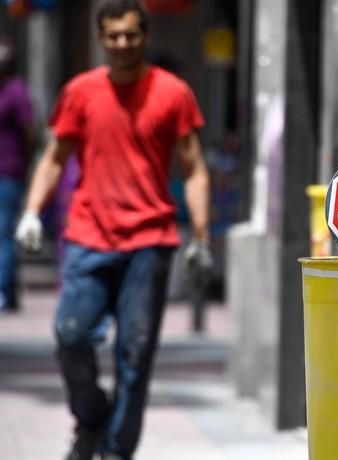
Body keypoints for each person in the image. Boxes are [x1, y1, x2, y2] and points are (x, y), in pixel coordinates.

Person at [14, 1, 213, 459]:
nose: (122, 44)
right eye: (113, 36)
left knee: (136, 355)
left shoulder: (173, 93)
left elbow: (195, 169)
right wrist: (30, 212)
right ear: (102, 39)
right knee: (71, 335)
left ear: (145, 36)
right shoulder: (80, 92)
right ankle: (91, 419)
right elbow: (54, 157)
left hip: (150, 242)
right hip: (88, 237)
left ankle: (116, 450)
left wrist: (200, 239)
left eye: (130, 35)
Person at [0, 37, 33, 313]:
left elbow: (27, 132)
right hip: (11, 171)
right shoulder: (15, 90)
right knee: (4, 234)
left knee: (4, 233)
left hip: (9, 172)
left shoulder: (16, 91)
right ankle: (6, 291)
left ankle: (4, 291)